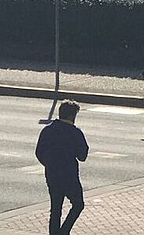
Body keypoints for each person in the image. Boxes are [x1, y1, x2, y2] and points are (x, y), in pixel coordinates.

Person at [35, 100, 89, 235]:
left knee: (55, 209)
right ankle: (64, 231)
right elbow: (83, 156)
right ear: (73, 116)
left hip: (52, 174)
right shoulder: (75, 132)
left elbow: (39, 152)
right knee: (78, 204)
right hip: (69, 175)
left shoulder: (48, 130)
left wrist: (49, 164)